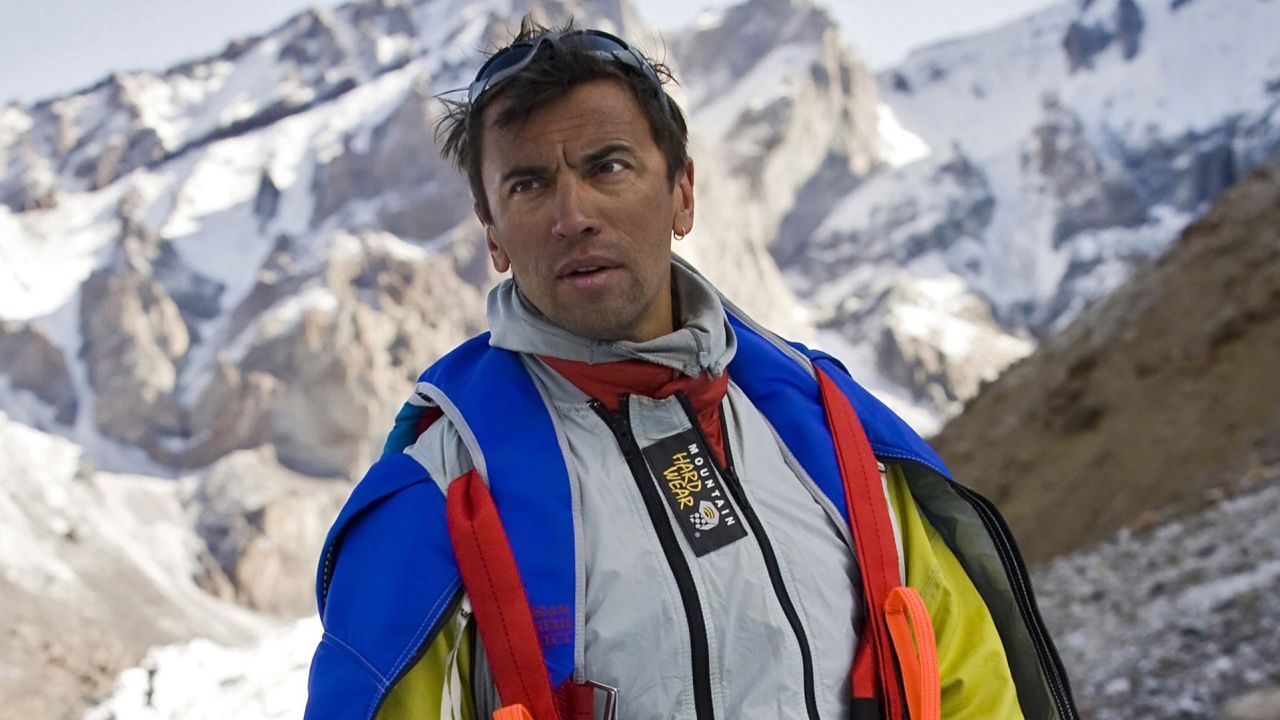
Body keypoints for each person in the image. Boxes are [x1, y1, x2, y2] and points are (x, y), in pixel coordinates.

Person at [305, 17, 1077, 720]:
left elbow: (973, 692)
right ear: (493, 233)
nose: (573, 215)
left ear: (683, 193)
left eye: (608, 167)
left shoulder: (841, 443)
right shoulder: (432, 505)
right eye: (529, 183)